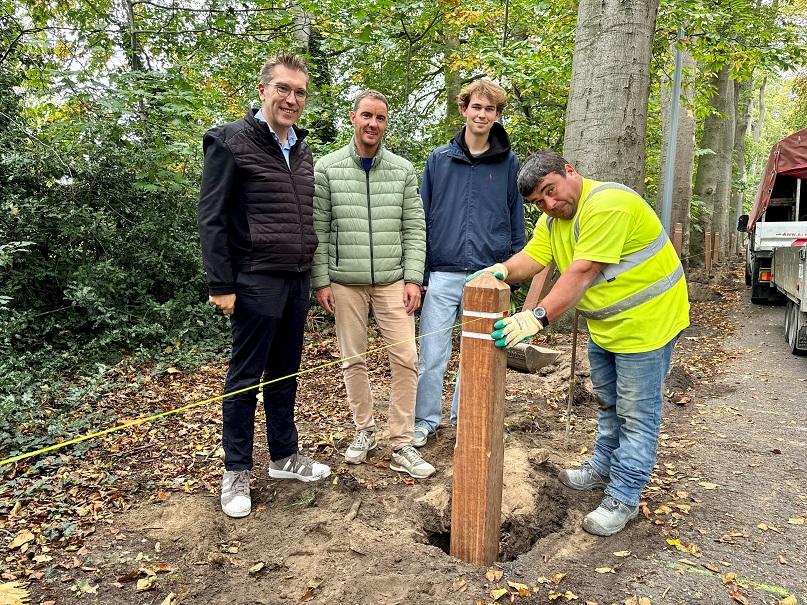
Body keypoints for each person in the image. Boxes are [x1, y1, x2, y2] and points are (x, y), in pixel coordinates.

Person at [478, 148, 689, 536]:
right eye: (539, 201)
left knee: (637, 415)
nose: (551, 203)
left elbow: (584, 270)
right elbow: (533, 258)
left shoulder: (609, 204)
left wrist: (537, 316)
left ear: (569, 171)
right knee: (609, 404)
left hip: (648, 323)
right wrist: (502, 270)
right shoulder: (553, 219)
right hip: (608, 326)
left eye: (551, 191)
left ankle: (623, 495)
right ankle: (602, 468)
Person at [198, 53, 331, 519]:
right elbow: (211, 218)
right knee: (244, 378)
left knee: (285, 373)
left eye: (299, 92)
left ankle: (283, 457)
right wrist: (222, 283)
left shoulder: (302, 147)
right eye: (283, 89)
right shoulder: (230, 141)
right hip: (253, 279)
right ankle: (236, 471)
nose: (291, 99)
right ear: (262, 91)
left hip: (295, 277)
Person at [312, 90, 435, 479]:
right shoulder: (327, 168)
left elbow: (415, 228)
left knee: (407, 359)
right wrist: (321, 281)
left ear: (385, 124)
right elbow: (318, 227)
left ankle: (401, 442)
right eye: (367, 115)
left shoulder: (401, 170)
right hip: (344, 281)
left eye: (380, 118)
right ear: (353, 118)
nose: (373, 124)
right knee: (354, 359)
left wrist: (414, 277)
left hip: (392, 281)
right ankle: (364, 431)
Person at [412, 79, 525, 447]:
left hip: (488, 276)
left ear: (497, 115)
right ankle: (425, 421)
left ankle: (466, 419)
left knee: (476, 355)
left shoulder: (508, 164)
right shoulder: (438, 160)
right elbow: (421, 218)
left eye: (489, 109)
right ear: (464, 110)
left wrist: (513, 274)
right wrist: (420, 271)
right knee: (432, 354)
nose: (482, 114)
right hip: (442, 273)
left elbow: (515, 217)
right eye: (476, 107)